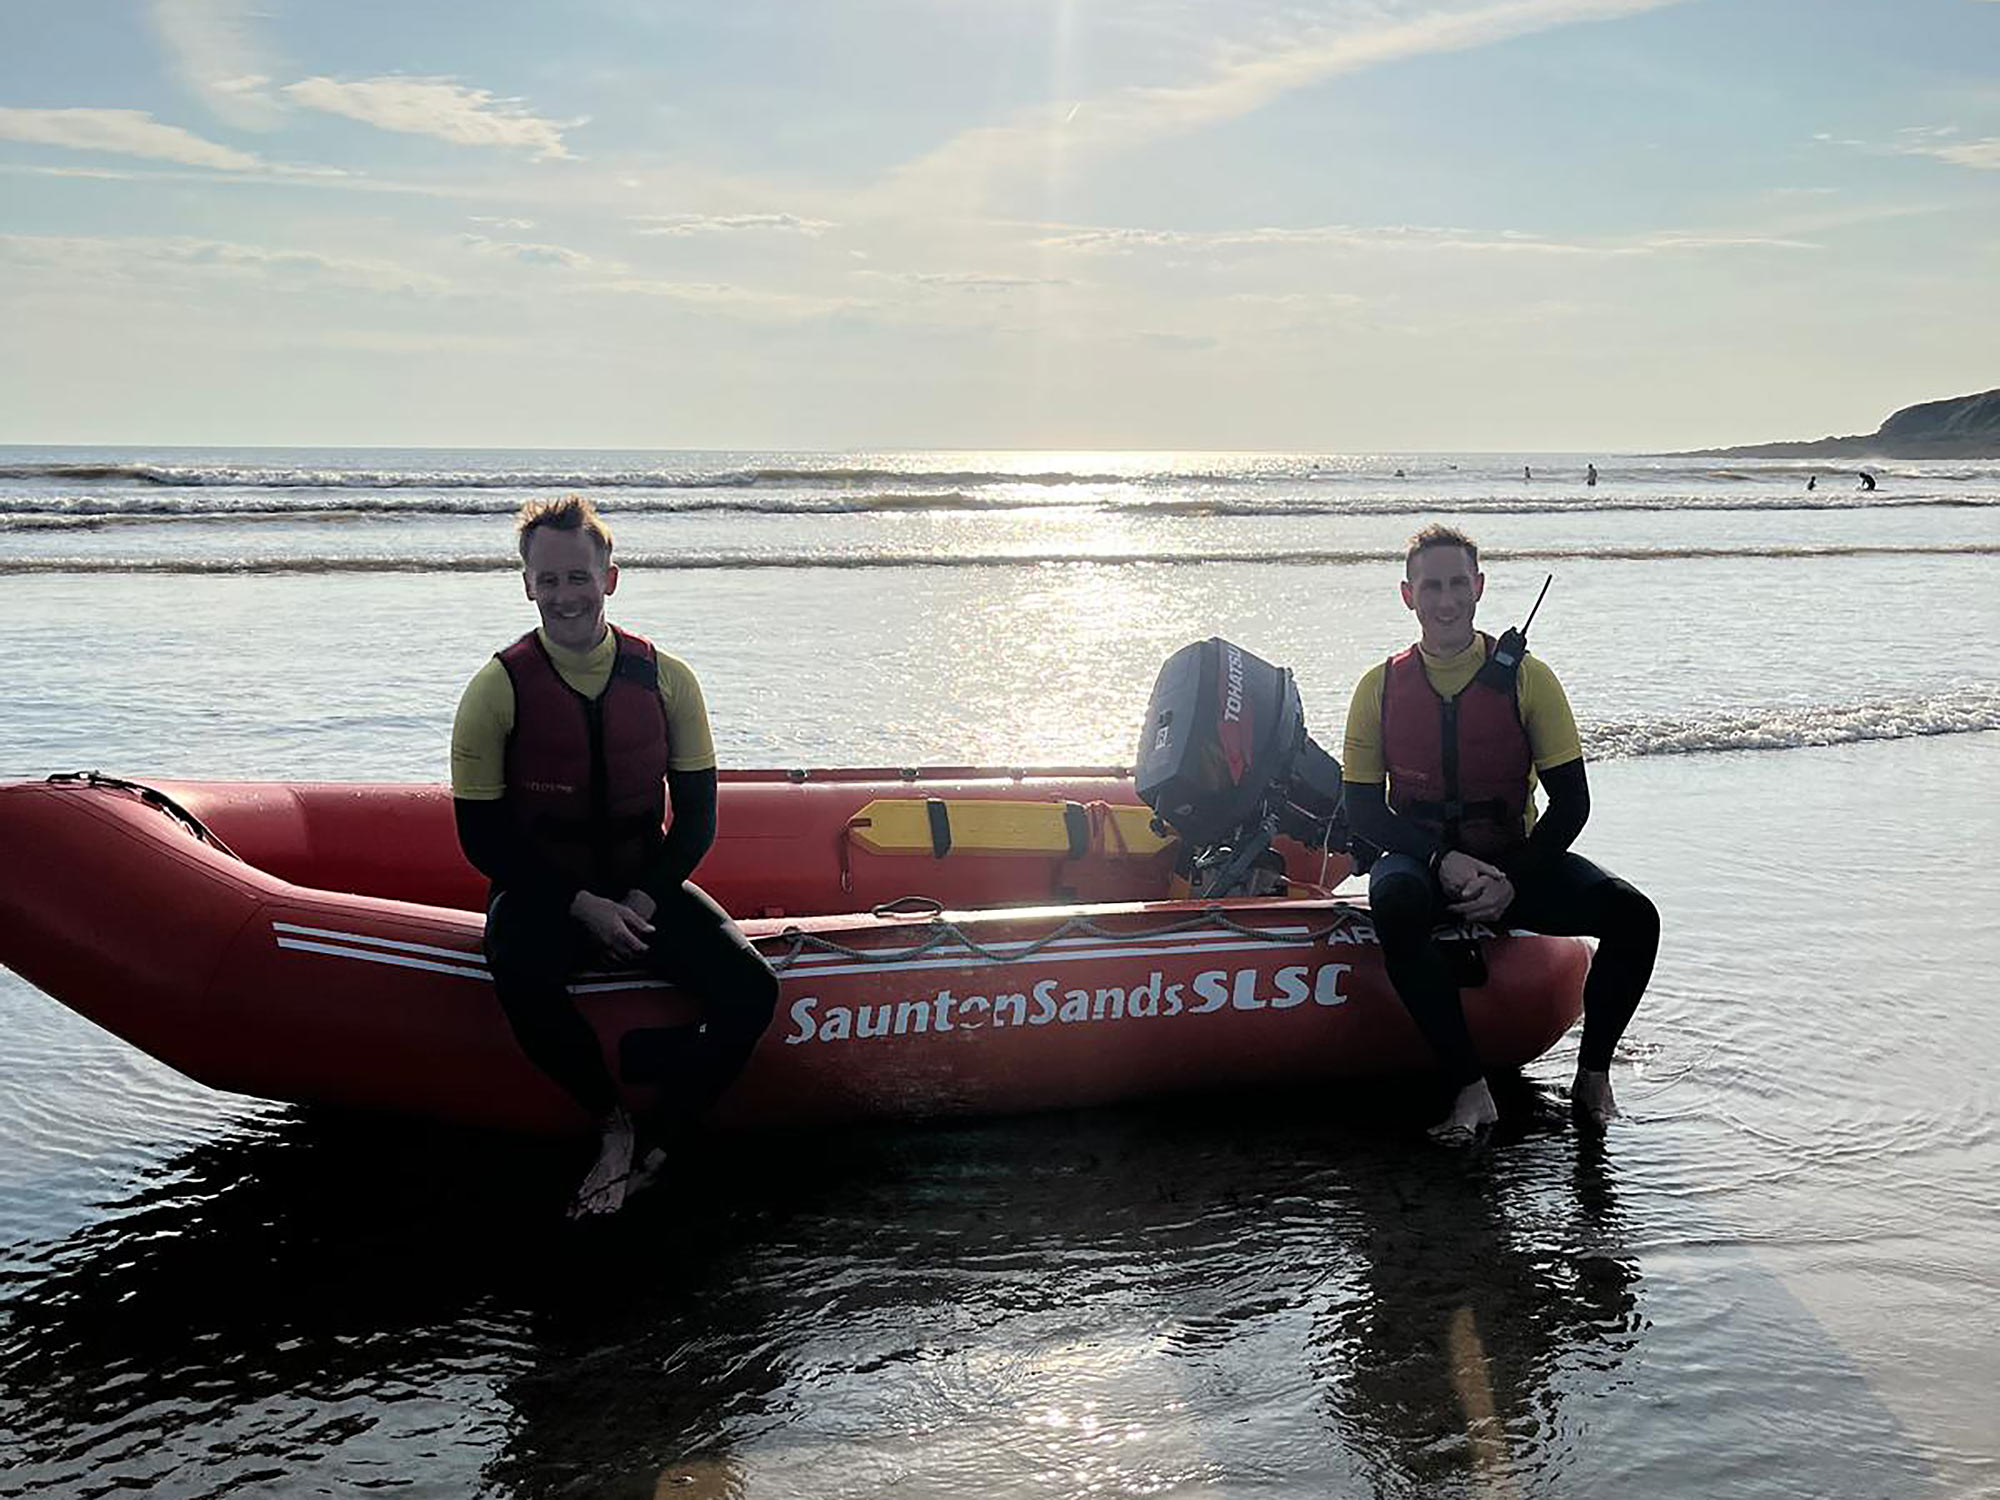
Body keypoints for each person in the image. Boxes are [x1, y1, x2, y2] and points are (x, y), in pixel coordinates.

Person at [451, 495, 778, 1216]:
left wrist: (639, 901)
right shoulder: (496, 689)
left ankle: (662, 1138)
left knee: (752, 991)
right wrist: (581, 906)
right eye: (548, 580)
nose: (564, 595)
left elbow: (695, 822)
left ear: (611, 578)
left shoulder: (667, 680)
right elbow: (484, 839)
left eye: (579, 577)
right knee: (516, 967)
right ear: (526, 584)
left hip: (642, 883)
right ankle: (612, 1124)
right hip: (545, 891)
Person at [1340, 525, 1660, 1142]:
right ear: (1407, 595)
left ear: (1479, 587)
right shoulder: (1377, 688)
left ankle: (1592, 1077)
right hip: (1423, 866)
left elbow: (1571, 803)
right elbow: (1363, 811)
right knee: (1396, 902)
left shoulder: (1529, 680)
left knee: (1635, 917)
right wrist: (1440, 861)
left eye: (1458, 582)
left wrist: (1511, 879)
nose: (1445, 598)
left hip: (1516, 862)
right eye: (1430, 585)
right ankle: (1471, 1091)